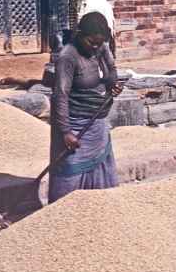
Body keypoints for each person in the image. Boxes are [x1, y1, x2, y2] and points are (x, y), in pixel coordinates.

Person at [49, 12, 124, 203]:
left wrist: (113, 85)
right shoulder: (68, 56)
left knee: (101, 171)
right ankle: (60, 217)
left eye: (100, 43)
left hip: (97, 124)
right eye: (91, 42)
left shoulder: (101, 47)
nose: (96, 47)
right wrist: (66, 131)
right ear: (80, 34)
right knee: (70, 172)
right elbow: (60, 95)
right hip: (75, 125)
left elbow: (111, 71)